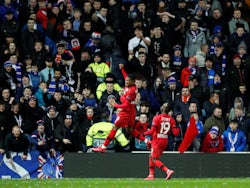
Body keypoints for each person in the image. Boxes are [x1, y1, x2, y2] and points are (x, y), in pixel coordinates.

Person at [92, 66, 148, 152]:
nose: (126, 81)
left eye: (128, 81)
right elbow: (126, 77)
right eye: (126, 80)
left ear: (133, 81)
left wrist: (115, 105)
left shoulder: (131, 91)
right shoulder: (131, 85)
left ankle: (103, 147)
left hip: (126, 111)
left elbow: (126, 105)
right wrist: (122, 69)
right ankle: (147, 141)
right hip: (131, 111)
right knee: (130, 130)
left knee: (115, 128)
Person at [144, 103, 179, 180]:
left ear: (163, 109)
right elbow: (175, 133)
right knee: (151, 156)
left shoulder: (157, 117)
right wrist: (177, 125)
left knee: (154, 159)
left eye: (163, 105)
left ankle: (167, 171)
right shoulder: (171, 119)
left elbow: (152, 131)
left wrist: (143, 133)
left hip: (157, 140)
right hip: (165, 140)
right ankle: (151, 175)